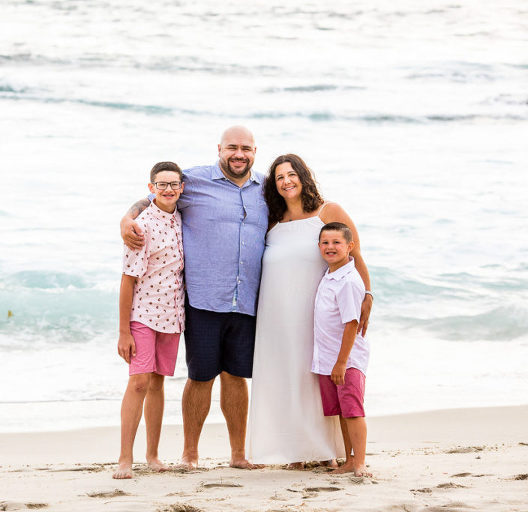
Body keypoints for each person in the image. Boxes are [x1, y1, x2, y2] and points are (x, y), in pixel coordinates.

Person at [121, 126, 266, 469]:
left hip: (246, 297)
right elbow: (157, 196)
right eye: (232, 147)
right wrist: (127, 219)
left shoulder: (265, 188)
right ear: (219, 148)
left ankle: (238, 455)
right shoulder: (195, 181)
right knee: (200, 375)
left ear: (255, 151)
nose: (238, 154)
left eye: (245, 148)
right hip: (202, 298)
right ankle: (189, 454)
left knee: (236, 376)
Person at [247, 154, 372, 467]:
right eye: (279, 178)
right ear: (274, 186)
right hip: (275, 317)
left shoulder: (328, 211)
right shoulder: (273, 222)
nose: (287, 181)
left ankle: (323, 451)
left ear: (303, 176)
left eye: (292, 174)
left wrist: (367, 296)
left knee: (315, 380)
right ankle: (295, 451)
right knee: (285, 378)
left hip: (317, 318)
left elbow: (357, 257)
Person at [114, 161, 186, 479]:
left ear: (182, 187)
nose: (168, 189)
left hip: (173, 316)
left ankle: (153, 455)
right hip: (143, 316)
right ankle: (124, 459)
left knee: (158, 383)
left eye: (174, 184)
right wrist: (123, 332)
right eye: (162, 184)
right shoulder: (140, 227)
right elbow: (127, 281)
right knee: (139, 381)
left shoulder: (183, 219)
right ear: (151, 188)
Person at [313, 222, 372, 477]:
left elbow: (352, 323)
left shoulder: (348, 281)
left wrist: (342, 362)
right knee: (341, 413)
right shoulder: (329, 275)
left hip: (346, 360)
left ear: (350, 247)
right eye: (325, 243)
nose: (330, 247)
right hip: (327, 359)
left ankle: (359, 463)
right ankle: (348, 459)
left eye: (337, 243)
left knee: (353, 411)